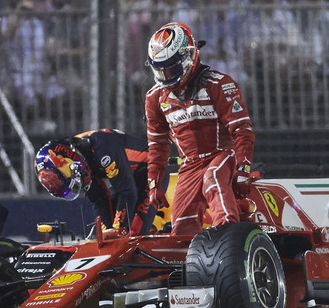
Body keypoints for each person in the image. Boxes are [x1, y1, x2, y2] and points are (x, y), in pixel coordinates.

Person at [144, 21, 255, 236]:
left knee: (213, 177)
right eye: (160, 70)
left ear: (188, 57)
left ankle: (228, 237)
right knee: (181, 227)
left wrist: (243, 169)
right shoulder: (154, 97)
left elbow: (242, 130)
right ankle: (184, 266)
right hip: (189, 166)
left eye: (171, 69)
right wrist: (154, 183)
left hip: (222, 156)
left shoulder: (218, 83)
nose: (166, 77)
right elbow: (157, 145)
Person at [34, 129, 163, 236]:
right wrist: (106, 232)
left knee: (133, 234)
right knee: (108, 234)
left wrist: (117, 230)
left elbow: (127, 192)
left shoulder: (102, 148)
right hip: (126, 179)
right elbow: (99, 198)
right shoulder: (78, 160)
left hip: (152, 171)